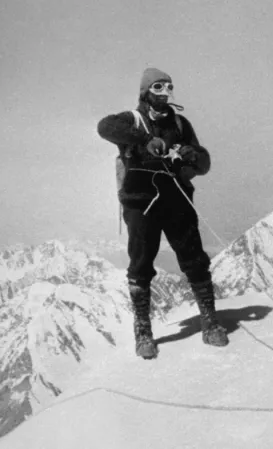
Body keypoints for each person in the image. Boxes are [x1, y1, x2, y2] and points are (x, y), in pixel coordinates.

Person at [97, 68, 228, 359]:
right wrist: (144, 142)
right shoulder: (132, 120)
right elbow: (104, 127)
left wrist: (190, 155)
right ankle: (143, 331)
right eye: (158, 86)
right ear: (145, 91)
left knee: (194, 258)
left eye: (169, 86)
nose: (165, 91)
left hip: (176, 198)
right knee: (141, 264)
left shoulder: (180, 124)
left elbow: (204, 162)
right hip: (140, 202)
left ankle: (210, 322)